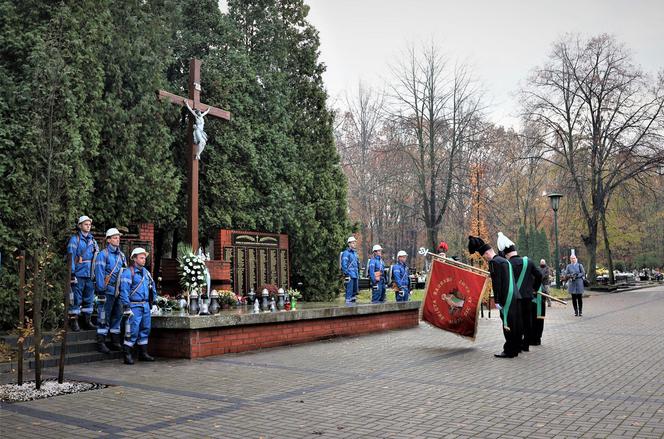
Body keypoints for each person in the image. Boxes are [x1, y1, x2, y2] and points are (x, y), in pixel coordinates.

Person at [468, 235, 520, 358]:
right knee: (514, 323)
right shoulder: (504, 260)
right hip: (514, 296)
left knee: (507, 324)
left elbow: (497, 283)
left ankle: (509, 350)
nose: (485, 259)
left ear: (486, 253)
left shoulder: (493, 262)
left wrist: (496, 300)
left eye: (484, 256)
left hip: (505, 298)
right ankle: (515, 348)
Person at [497, 232, 542, 352]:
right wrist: (534, 289)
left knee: (516, 322)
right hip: (528, 297)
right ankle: (526, 345)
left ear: (506, 254)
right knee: (527, 321)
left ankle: (516, 345)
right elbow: (539, 275)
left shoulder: (506, 264)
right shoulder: (529, 262)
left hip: (514, 298)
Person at [119, 247, 158, 364]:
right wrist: (126, 307)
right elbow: (124, 291)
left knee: (146, 329)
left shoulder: (146, 273)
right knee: (132, 331)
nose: (144, 260)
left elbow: (153, 287)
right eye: (141, 258)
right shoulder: (128, 272)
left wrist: (154, 302)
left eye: (144, 258)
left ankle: (143, 353)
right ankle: (127, 355)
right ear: (134, 259)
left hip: (145, 305)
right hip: (134, 306)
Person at [94, 228, 127, 354]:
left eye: (118, 237)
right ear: (108, 240)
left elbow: (125, 274)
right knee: (104, 316)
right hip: (107, 290)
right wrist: (101, 290)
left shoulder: (122, 255)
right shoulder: (103, 254)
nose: (117, 239)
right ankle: (101, 342)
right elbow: (99, 273)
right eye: (114, 237)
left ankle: (115, 341)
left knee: (117, 316)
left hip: (118, 291)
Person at [66, 215, 100, 332]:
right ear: (80, 226)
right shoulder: (75, 239)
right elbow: (71, 256)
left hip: (90, 275)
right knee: (75, 298)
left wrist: (96, 274)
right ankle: (74, 321)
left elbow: (97, 259)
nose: (88, 226)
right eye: (86, 224)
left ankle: (87, 321)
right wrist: (72, 273)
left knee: (89, 299)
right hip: (79, 274)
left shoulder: (93, 241)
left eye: (89, 224)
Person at [341, 236, 360, 305]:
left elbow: (357, 265)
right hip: (349, 275)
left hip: (355, 275)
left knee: (354, 293)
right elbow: (344, 264)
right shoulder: (346, 253)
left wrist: (358, 274)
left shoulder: (355, 253)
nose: (354, 244)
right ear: (349, 244)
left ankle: (353, 308)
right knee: (349, 293)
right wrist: (346, 274)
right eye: (353, 242)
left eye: (355, 242)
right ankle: (347, 308)